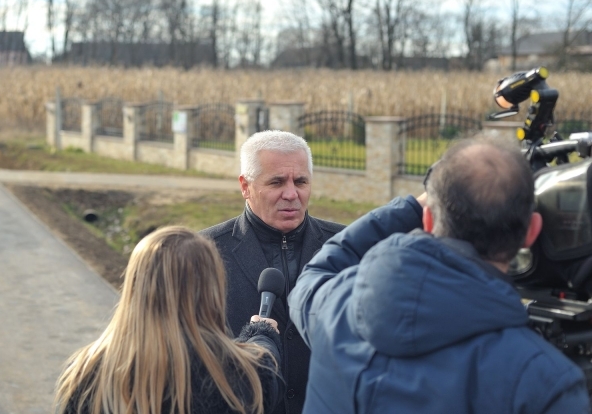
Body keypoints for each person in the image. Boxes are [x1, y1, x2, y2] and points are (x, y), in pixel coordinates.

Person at [289, 137, 591, 414]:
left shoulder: (338, 308)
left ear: (428, 218)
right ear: (531, 231)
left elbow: (316, 272)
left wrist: (411, 207)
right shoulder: (544, 383)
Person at [53, 226, 282, 414]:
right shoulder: (247, 377)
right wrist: (261, 331)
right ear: (212, 289)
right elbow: (257, 361)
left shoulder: (85, 373)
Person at [200, 130, 345, 414]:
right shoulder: (205, 253)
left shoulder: (344, 247)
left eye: (301, 181)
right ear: (245, 186)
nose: (291, 194)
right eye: (277, 182)